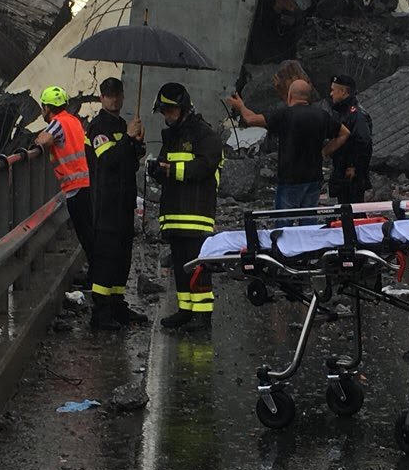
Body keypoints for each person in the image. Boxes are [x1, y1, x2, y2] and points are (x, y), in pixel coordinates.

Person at [148, 82, 223, 329]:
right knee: (180, 264)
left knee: (197, 264)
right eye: (164, 111)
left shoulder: (204, 134)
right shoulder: (171, 136)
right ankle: (185, 309)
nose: (166, 115)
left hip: (196, 212)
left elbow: (205, 166)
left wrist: (173, 170)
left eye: (170, 110)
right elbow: (167, 169)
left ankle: (202, 315)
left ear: (183, 108)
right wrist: (157, 170)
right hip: (174, 213)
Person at [226, 77, 343, 217]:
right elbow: (344, 133)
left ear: (290, 95)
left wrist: (241, 107)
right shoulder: (322, 115)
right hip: (313, 178)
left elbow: (251, 119)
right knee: (308, 221)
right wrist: (325, 151)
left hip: (290, 179)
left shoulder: (284, 115)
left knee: (283, 223)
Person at [85, 76, 146, 330]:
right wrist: (126, 139)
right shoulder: (98, 126)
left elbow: (130, 163)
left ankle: (117, 305)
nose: (114, 99)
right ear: (102, 98)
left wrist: (137, 143)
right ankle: (100, 311)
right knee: (106, 257)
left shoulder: (123, 124)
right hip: (106, 203)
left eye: (117, 94)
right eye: (109, 95)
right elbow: (107, 160)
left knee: (123, 256)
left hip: (124, 201)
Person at [38, 84, 94, 270]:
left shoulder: (58, 123)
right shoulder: (74, 120)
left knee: (86, 236)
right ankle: (97, 275)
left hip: (75, 186)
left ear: (47, 108)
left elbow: (44, 140)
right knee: (90, 233)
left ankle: (96, 277)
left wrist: (38, 140)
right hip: (86, 182)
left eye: (43, 107)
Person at [326, 74, 374, 204]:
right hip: (342, 168)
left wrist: (354, 166)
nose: (331, 94)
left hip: (351, 173)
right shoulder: (342, 112)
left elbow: (363, 141)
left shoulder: (356, 114)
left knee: (354, 209)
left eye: (333, 90)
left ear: (342, 92)